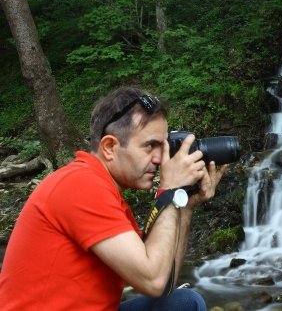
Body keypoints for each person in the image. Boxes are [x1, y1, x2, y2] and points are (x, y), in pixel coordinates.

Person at [0, 86, 227, 310]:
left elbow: (164, 281)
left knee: (183, 302)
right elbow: (154, 281)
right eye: (151, 146)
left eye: (164, 146)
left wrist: (183, 204)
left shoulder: (105, 192)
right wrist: (169, 190)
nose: (160, 159)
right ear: (109, 147)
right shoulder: (80, 185)